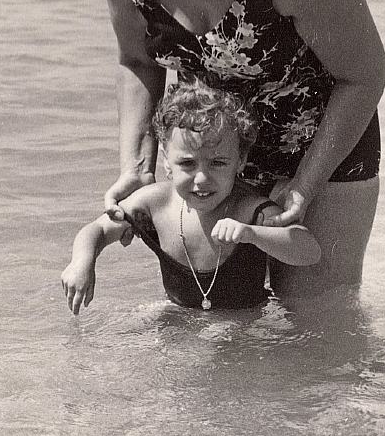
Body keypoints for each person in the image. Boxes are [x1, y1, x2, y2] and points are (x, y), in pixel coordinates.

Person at [67, 0, 385, 297]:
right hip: (213, 146)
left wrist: (303, 186)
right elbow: (137, 60)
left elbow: (363, 76)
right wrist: (136, 164)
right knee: (224, 321)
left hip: (323, 142)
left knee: (316, 324)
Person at [61, 82, 320, 314]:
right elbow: (97, 229)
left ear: (240, 160)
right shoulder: (154, 205)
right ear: (167, 160)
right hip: (180, 316)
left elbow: (309, 249)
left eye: (218, 163)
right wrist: (82, 262)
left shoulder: (249, 211)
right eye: (187, 163)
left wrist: (252, 234)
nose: (201, 179)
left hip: (243, 328)